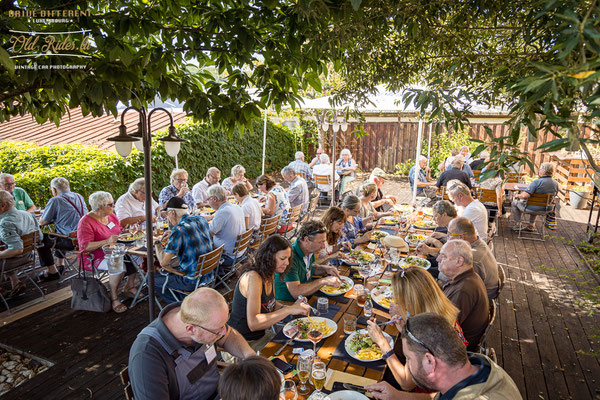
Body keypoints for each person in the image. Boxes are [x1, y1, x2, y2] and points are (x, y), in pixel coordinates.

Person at [129, 287, 255, 400]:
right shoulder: (146, 356)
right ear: (190, 329)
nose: (223, 332)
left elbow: (228, 336)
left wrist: (251, 357)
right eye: (217, 330)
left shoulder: (200, 318)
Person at [366, 313, 522, 400]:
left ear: (429, 361)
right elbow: (438, 397)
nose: (407, 363)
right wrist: (398, 396)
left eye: (408, 358)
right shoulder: (478, 366)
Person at [365, 266, 466, 392]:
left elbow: (406, 383)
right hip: (452, 381)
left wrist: (382, 342)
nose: (396, 303)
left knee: (371, 376)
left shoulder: (425, 331)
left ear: (411, 302)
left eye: (398, 300)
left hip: (431, 392)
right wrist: (404, 331)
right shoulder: (440, 313)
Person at [228, 235, 311, 345]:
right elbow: (254, 323)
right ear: (269, 257)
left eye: (288, 258)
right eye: (282, 258)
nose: (287, 263)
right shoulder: (253, 278)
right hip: (241, 343)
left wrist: (293, 307)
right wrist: (289, 310)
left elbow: (271, 304)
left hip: (260, 337)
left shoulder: (269, 273)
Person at [77, 191, 138, 313]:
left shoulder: (111, 216)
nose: (114, 206)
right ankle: (114, 297)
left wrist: (126, 232)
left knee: (137, 258)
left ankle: (129, 287)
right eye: (111, 204)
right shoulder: (86, 222)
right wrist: (106, 241)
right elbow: (85, 246)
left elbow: (118, 231)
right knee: (119, 266)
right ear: (100, 206)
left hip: (117, 250)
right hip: (94, 256)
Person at [154, 197, 214, 304]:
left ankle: (183, 305)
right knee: (171, 267)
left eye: (167, 214)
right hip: (208, 274)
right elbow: (191, 230)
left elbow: (163, 262)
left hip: (192, 280)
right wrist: (173, 231)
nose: (167, 217)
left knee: (151, 279)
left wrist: (157, 243)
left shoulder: (179, 230)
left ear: (172, 213)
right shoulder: (201, 219)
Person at [0, 190, 59, 296]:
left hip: (13, 261)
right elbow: (40, 237)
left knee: (5, 253)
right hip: (28, 257)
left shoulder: (5, 223)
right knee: (5, 249)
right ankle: (15, 281)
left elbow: (17, 249)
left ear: (3, 205)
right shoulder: (27, 215)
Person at [437, 240, 489, 351]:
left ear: (459, 261)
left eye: (443, 256)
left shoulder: (463, 291)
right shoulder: (468, 277)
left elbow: (440, 330)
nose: (438, 259)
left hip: (455, 351)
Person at [274, 220, 341, 302]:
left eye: (324, 242)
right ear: (306, 240)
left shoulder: (310, 249)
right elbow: (296, 292)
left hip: (306, 298)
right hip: (288, 304)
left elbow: (309, 268)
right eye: (320, 242)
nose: (323, 246)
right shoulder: (290, 257)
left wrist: (325, 268)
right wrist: (324, 281)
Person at [39, 177, 88, 272]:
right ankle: (60, 263)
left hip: (71, 241)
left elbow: (42, 222)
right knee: (58, 231)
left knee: (41, 240)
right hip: (84, 237)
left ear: (54, 189)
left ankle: (52, 271)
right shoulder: (78, 196)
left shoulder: (55, 200)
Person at [443, 217, 499, 301]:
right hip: (480, 292)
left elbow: (453, 283)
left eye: (449, 234)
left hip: (475, 300)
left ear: (461, 237)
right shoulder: (478, 242)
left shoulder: (472, 258)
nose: (447, 238)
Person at [511, 161, 558, 232]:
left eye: (540, 169)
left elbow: (525, 196)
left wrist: (517, 195)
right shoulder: (556, 183)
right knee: (536, 203)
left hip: (531, 208)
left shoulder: (537, 182)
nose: (539, 170)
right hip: (546, 209)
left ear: (543, 171)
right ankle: (531, 226)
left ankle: (518, 225)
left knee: (514, 203)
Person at [206, 185, 246, 266]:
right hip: (241, 251)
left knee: (199, 243)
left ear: (214, 199)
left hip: (228, 256)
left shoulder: (222, 213)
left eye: (208, 199)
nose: (207, 201)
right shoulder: (236, 206)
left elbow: (208, 234)